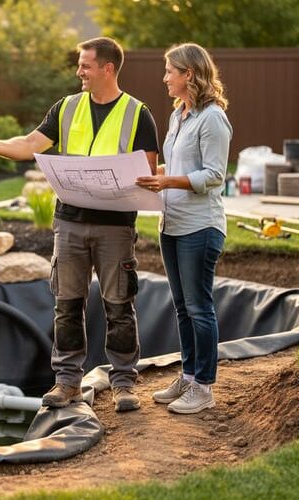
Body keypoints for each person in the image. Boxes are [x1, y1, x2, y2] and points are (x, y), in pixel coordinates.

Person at [0, 37, 159, 412]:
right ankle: (67, 382)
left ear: (107, 69)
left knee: (119, 305)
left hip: (115, 227)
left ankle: (124, 384)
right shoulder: (66, 108)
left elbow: (147, 170)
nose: (78, 71)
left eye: (84, 65)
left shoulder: (137, 113)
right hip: (69, 223)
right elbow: (30, 143)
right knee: (66, 305)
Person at [135, 43, 232, 414]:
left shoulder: (213, 118)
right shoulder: (179, 114)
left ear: (188, 74)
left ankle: (204, 387)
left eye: (169, 71)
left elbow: (214, 175)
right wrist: (148, 176)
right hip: (170, 224)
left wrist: (167, 182)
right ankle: (189, 376)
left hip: (199, 226)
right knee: (181, 307)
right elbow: (174, 165)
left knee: (199, 306)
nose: (164, 78)